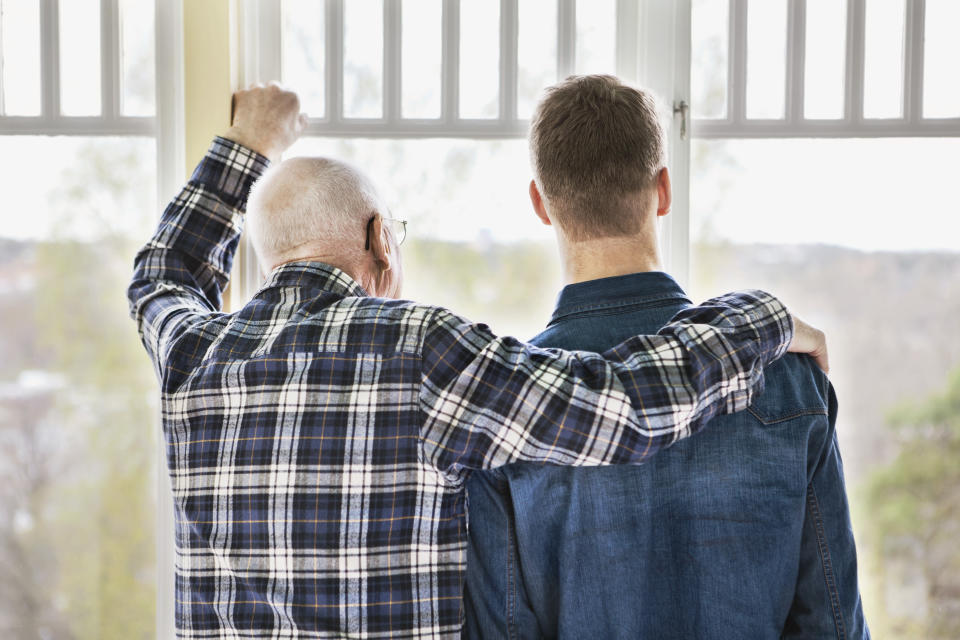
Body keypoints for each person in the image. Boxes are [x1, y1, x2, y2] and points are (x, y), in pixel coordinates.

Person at [127, 83, 825, 638]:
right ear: (379, 239)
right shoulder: (422, 352)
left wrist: (247, 143)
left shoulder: (192, 356)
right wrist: (761, 318)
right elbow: (625, 407)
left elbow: (161, 276)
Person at [464, 75, 867, 639]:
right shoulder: (790, 377)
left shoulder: (506, 408)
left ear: (541, 203)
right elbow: (831, 622)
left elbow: (502, 629)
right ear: (664, 189)